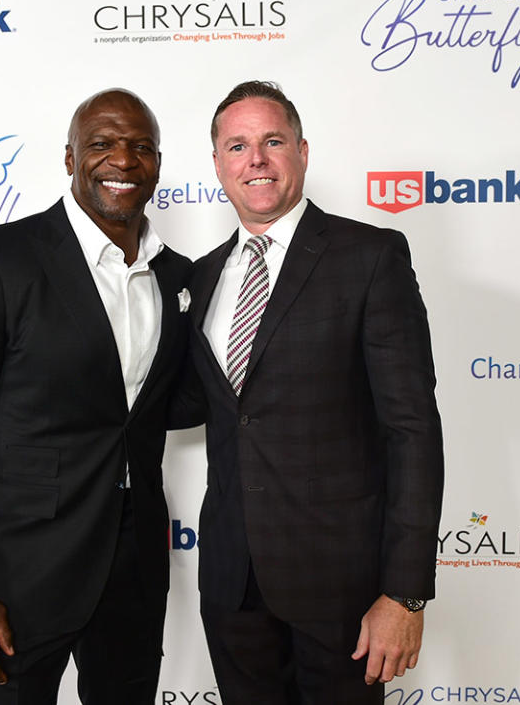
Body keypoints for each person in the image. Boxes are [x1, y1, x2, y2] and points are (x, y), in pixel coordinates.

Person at [0, 88, 192, 705]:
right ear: (69, 158)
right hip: (16, 579)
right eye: (102, 144)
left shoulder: (177, 275)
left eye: (141, 147)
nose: (123, 160)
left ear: (159, 165)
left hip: (134, 573)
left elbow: (171, 405)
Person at [183, 80, 444, 704]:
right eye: (238, 145)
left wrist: (404, 592)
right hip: (231, 584)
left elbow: (412, 430)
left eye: (272, 141)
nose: (257, 159)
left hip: (342, 591)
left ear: (302, 151)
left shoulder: (370, 256)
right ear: (218, 164)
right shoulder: (202, 276)